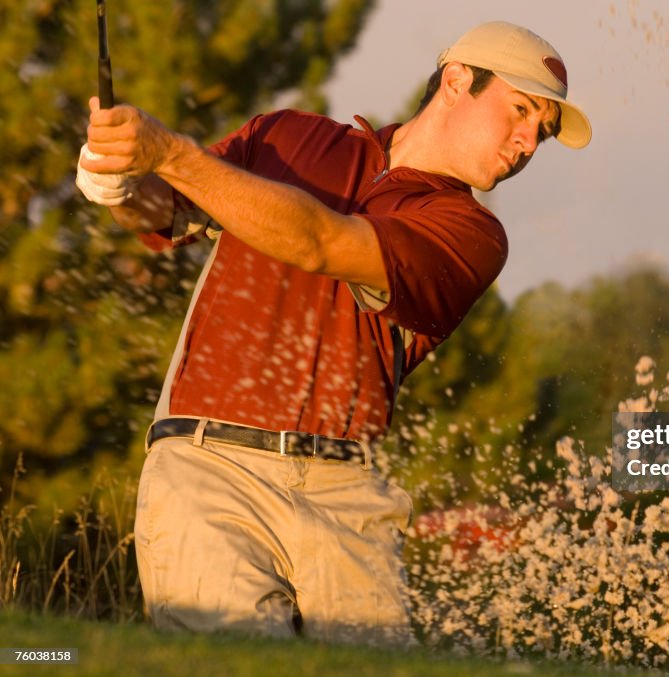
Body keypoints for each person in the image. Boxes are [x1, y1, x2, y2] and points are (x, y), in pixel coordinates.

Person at [74, 21, 591, 644]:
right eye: (521, 110)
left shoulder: (471, 234)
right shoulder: (288, 136)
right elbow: (169, 213)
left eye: (544, 129)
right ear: (457, 80)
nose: (530, 140)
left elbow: (320, 242)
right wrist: (119, 180)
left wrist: (171, 154)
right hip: (208, 469)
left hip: (346, 494)